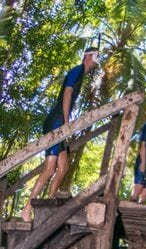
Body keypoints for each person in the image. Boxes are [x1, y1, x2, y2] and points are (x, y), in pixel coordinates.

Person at [22, 47, 99, 222]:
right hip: (56, 122)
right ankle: (27, 208)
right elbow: (67, 93)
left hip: (60, 122)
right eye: (94, 59)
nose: (95, 64)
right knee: (49, 169)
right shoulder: (77, 71)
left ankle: (49, 203)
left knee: (63, 167)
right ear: (88, 57)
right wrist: (66, 121)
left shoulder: (81, 75)